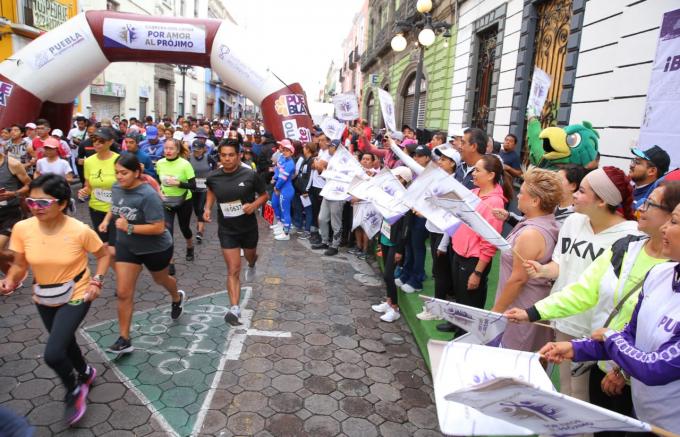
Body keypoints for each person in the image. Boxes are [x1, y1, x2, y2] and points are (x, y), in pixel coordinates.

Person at [507, 181, 680, 434]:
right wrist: (575, 348)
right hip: (635, 402)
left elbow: (654, 367)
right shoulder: (659, 272)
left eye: (674, 221)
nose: (665, 227)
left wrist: (614, 354)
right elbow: (629, 331)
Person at [523, 166, 639, 404]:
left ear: (602, 201)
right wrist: (542, 270)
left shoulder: (631, 235)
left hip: (597, 329)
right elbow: (560, 264)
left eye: (582, 191)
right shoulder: (573, 221)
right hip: (564, 317)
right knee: (568, 389)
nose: (574, 194)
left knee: (586, 397)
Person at [1, 174, 110, 425]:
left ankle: (74, 390)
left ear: (61, 203)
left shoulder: (79, 230)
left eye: (43, 203)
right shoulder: (22, 228)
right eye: (31, 202)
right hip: (43, 295)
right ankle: (86, 372)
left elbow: (103, 256)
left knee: (53, 353)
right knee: (65, 341)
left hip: (77, 292)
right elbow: (19, 265)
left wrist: (97, 282)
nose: (35, 208)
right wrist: (11, 280)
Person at [101, 154, 186, 355]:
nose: (119, 177)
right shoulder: (116, 187)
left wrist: (128, 227)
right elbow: (115, 207)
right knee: (123, 292)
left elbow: (158, 228)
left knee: (161, 279)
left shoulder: (148, 195)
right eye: (117, 173)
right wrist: (107, 220)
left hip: (155, 248)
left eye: (124, 173)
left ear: (137, 173)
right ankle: (124, 338)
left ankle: (176, 297)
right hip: (127, 247)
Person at [437, 154, 511, 333]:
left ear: (491, 175)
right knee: (460, 294)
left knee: (470, 300)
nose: (473, 174)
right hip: (459, 252)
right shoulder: (475, 193)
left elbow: (489, 242)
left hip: (474, 260)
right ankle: (456, 323)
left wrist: (477, 272)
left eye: (478, 170)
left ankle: (464, 334)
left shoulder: (494, 202)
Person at [490, 168, 562, 351]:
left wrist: (494, 314)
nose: (518, 196)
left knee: (514, 362)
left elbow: (518, 279)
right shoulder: (545, 222)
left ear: (535, 201)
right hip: (530, 304)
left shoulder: (531, 233)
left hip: (520, 308)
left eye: (522, 193)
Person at [204, 142, 268, 326]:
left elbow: (264, 195)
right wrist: (207, 208)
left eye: (231, 155)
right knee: (233, 269)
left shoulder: (250, 175)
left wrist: (254, 205)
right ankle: (234, 308)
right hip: (227, 229)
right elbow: (211, 191)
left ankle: (253, 262)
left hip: (248, 227)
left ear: (239, 155)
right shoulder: (213, 176)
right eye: (223, 155)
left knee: (249, 256)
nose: (227, 159)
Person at [417, 147, 461, 321]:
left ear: (452, 164)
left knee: (441, 272)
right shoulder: (438, 179)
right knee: (438, 270)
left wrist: (444, 242)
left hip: (443, 232)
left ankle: (437, 310)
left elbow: (452, 216)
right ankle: (439, 306)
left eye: (443, 159)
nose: (439, 162)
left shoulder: (454, 185)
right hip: (433, 228)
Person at [371, 166, 413, 323]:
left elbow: (406, 228)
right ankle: (389, 301)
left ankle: (394, 308)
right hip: (385, 237)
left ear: (403, 179)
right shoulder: (389, 195)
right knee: (386, 274)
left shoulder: (406, 199)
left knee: (389, 274)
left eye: (396, 177)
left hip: (396, 242)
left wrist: (400, 249)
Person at [77, 127, 119, 264]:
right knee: (104, 247)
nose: (96, 144)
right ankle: (122, 275)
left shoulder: (119, 160)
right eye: (94, 140)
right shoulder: (89, 161)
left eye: (101, 141)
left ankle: (125, 274)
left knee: (113, 249)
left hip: (115, 210)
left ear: (110, 142)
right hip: (96, 208)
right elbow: (89, 186)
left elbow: (125, 187)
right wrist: (84, 191)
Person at [156, 138, 196, 274]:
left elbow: (193, 186)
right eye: (166, 148)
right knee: (167, 231)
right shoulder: (160, 163)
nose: (168, 151)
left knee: (185, 228)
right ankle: (170, 261)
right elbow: (157, 180)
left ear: (178, 150)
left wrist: (179, 183)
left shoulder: (185, 164)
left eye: (171, 148)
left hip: (184, 201)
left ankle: (190, 246)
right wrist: (158, 190)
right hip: (166, 201)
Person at [397, 145, 432, 293]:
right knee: (409, 245)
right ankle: (407, 274)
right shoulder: (415, 172)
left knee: (417, 247)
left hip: (423, 216)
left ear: (427, 158)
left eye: (419, 155)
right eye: (414, 155)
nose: (415, 158)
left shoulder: (430, 173)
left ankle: (417, 280)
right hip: (412, 212)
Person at [0, 144, 31, 278]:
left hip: (10, 212)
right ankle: (12, 274)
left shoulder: (12, 164)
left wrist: (14, 193)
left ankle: (21, 262)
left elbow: (30, 185)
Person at [312, 140, 345, 256]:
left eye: (330, 146)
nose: (328, 148)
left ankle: (335, 245)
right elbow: (324, 174)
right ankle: (325, 241)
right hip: (328, 193)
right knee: (322, 218)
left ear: (336, 148)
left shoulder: (344, 161)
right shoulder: (331, 160)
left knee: (336, 223)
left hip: (338, 195)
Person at [188, 139, 216, 243]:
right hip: (193, 187)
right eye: (194, 150)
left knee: (201, 208)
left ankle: (200, 231)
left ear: (203, 149)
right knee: (196, 209)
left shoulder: (208, 157)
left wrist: (212, 176)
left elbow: (215, 166)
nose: (196, 152)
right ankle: (201, 223)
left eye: (198, 150)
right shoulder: (189, 158)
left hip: (205, 187)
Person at [629, 145, 670, 210]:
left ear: (652, 171)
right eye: (633, 161)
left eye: (637, 162)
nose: (631, 165)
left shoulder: (652, 200)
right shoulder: (629, 189)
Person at [271, 139, 297, 241]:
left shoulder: (290, 164)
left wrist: (277, 187)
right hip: (282, 188)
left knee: (285, 211)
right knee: (280, 208)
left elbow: (283, 178)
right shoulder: (283, 158)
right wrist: (275, 180)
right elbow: (278, 171)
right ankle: (283, 229)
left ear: (291, 152)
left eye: (287, 150)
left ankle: (286, 233)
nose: (284, 151)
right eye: (284, 150)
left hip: (286, 189)